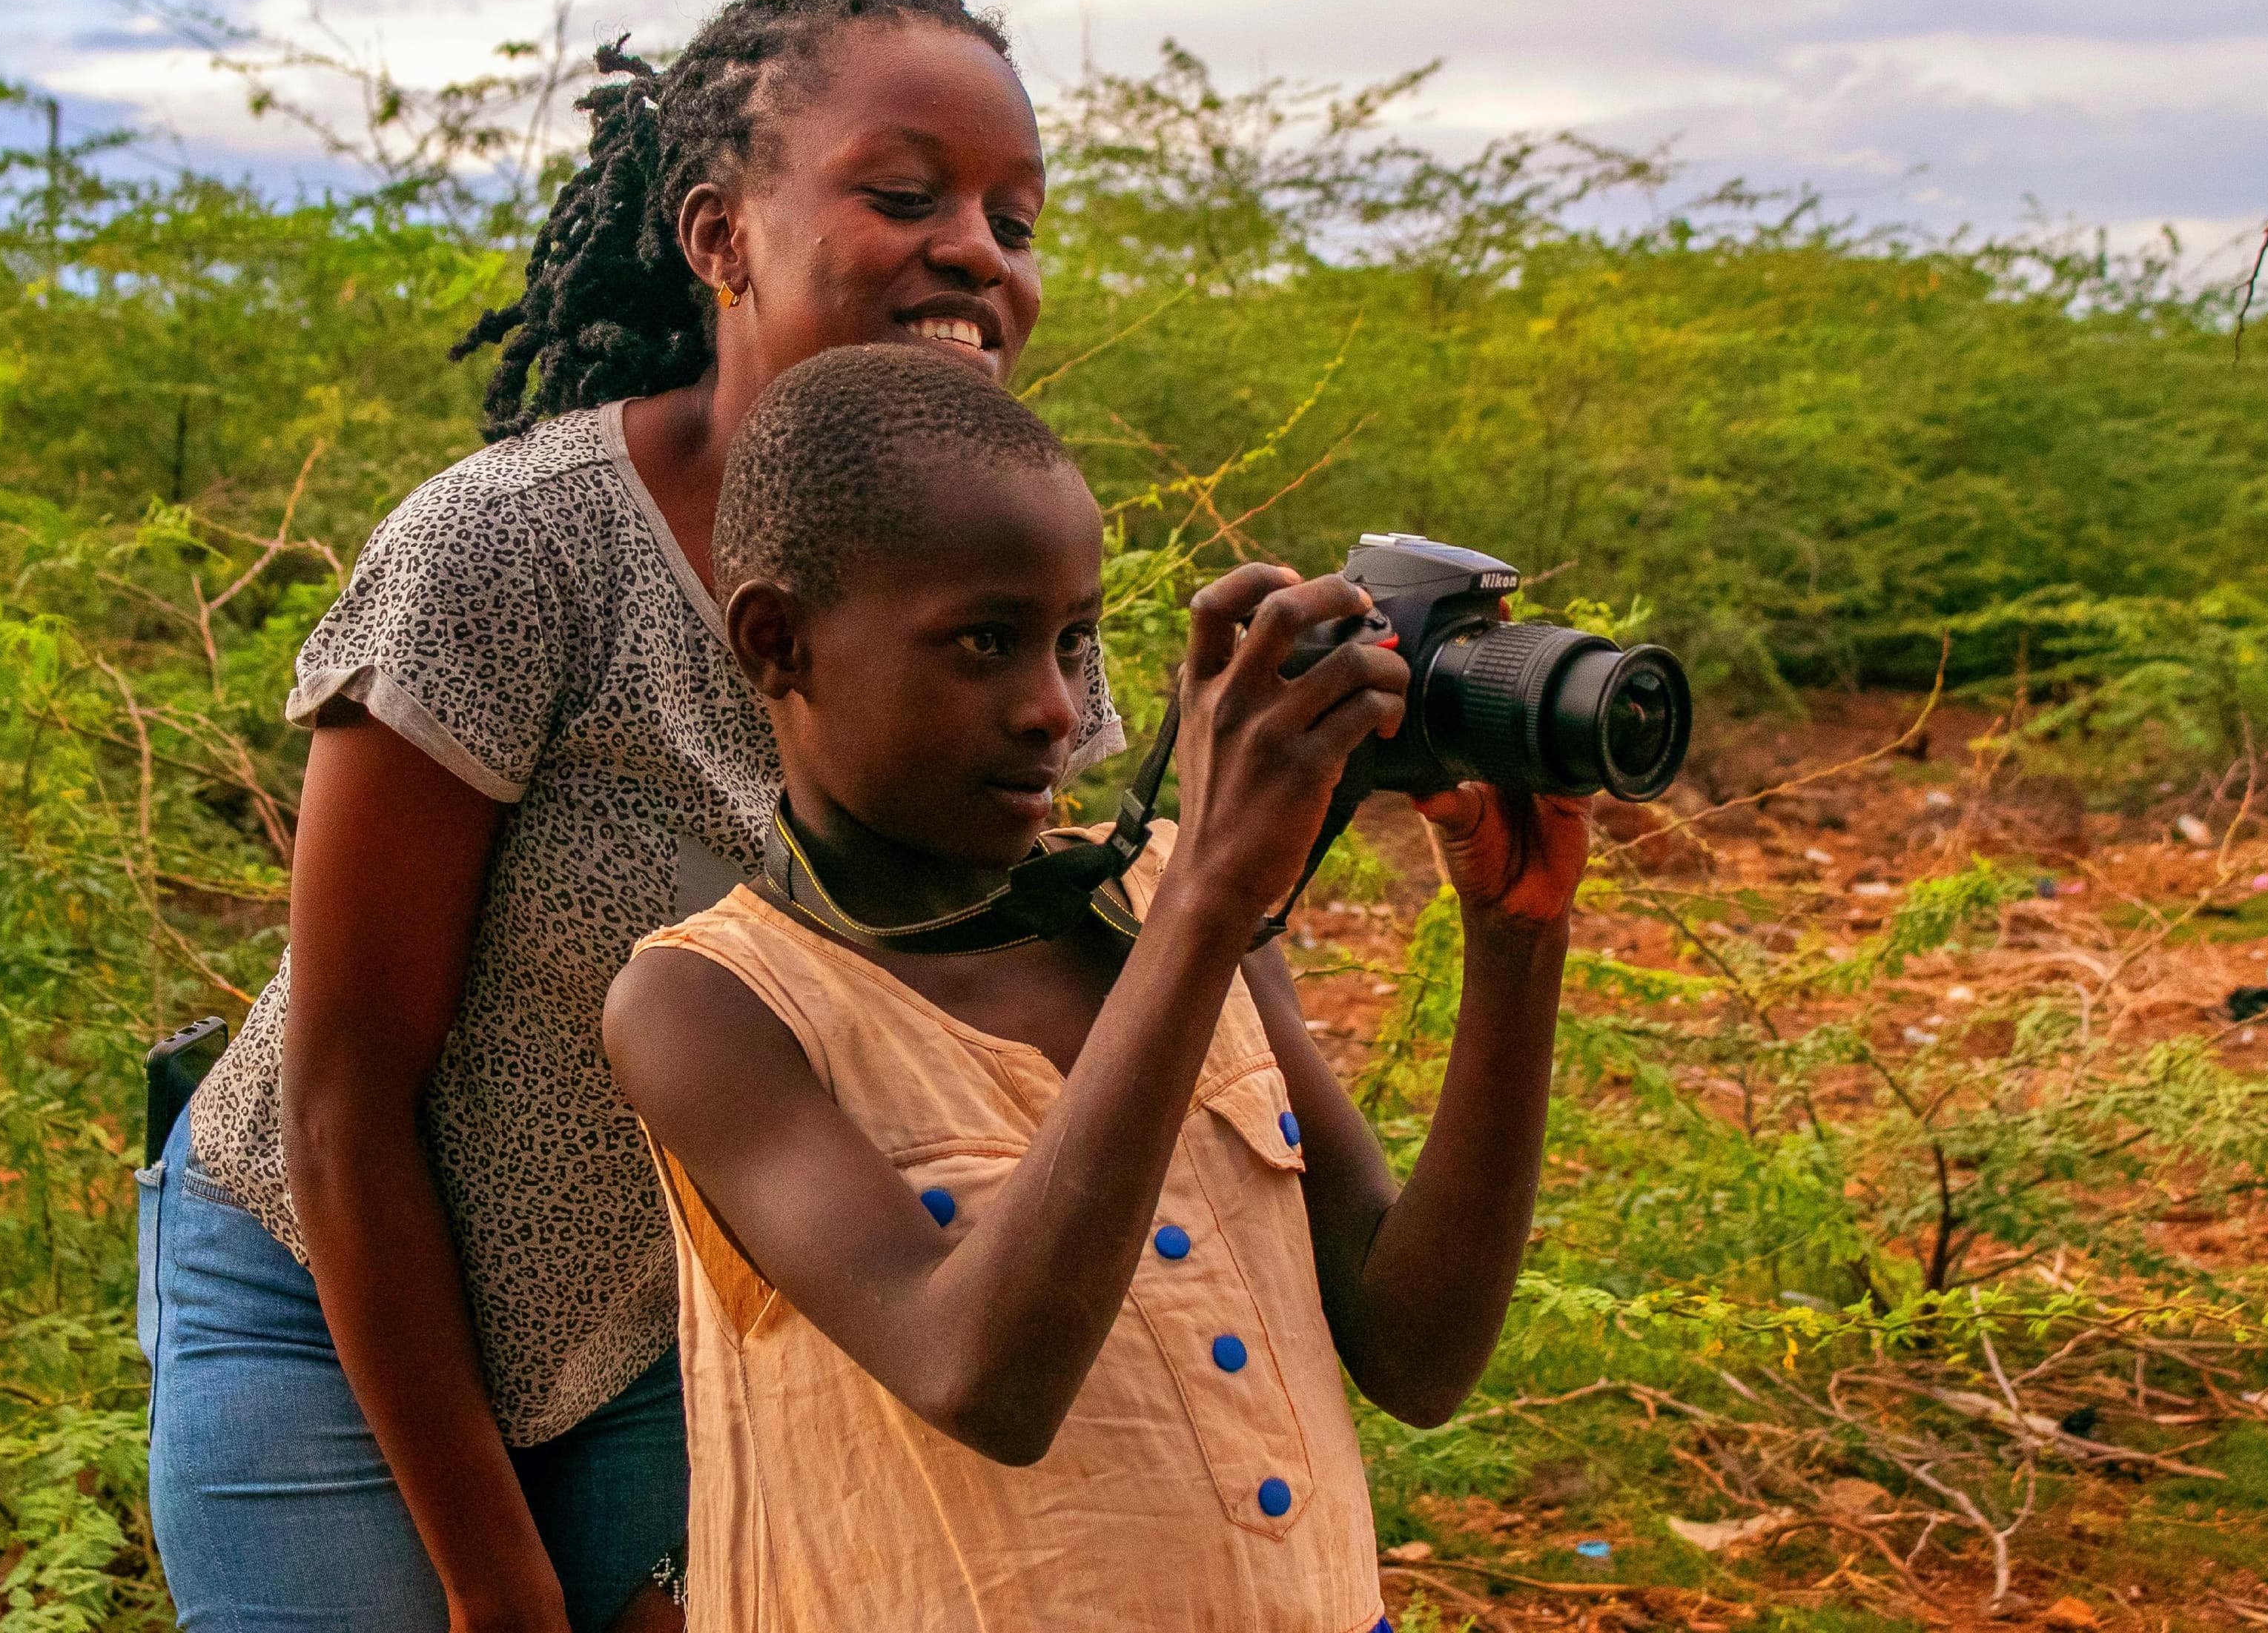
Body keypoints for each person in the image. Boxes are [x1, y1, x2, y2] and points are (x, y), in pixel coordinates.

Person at [136, 0, 1123, 1633]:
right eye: (904, 195)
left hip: (688, 1321)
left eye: (1014, 221)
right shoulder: (512, 553)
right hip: (327, 1295)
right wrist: (500, 1589)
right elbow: (345, 1100)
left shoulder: (1012, 599)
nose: (977, 249)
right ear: (720, 236)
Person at [604, 346, 1589, 1632]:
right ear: (779, 642)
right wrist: (1209, 907)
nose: (1055, 709)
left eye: (1077, 640)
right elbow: (980, 1377)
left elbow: (1419, 1354)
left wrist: (1514, 941)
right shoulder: (709, 1006)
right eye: (984, 643)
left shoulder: (1167, 907)